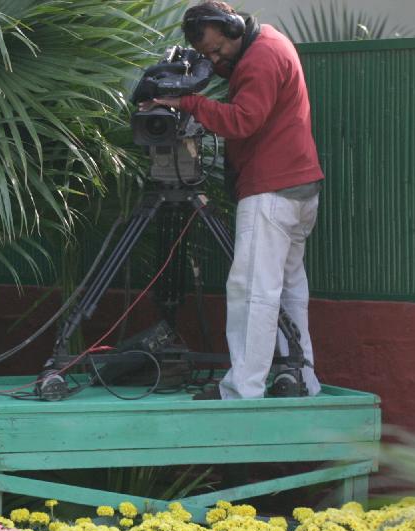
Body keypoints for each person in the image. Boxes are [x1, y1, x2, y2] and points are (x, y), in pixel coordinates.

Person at [142, 1, 323, 400]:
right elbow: (237, 75)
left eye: (216, 49)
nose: (214, 58)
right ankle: (300, 377)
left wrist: (185, 101)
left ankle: (243, 390)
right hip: (298, 187)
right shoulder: (267, 43)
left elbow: (242, 120)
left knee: (251, 292)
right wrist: (198, 71)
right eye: (206, 54)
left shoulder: (260, 59)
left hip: (271, 190)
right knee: (288, 290)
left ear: (232, 26)